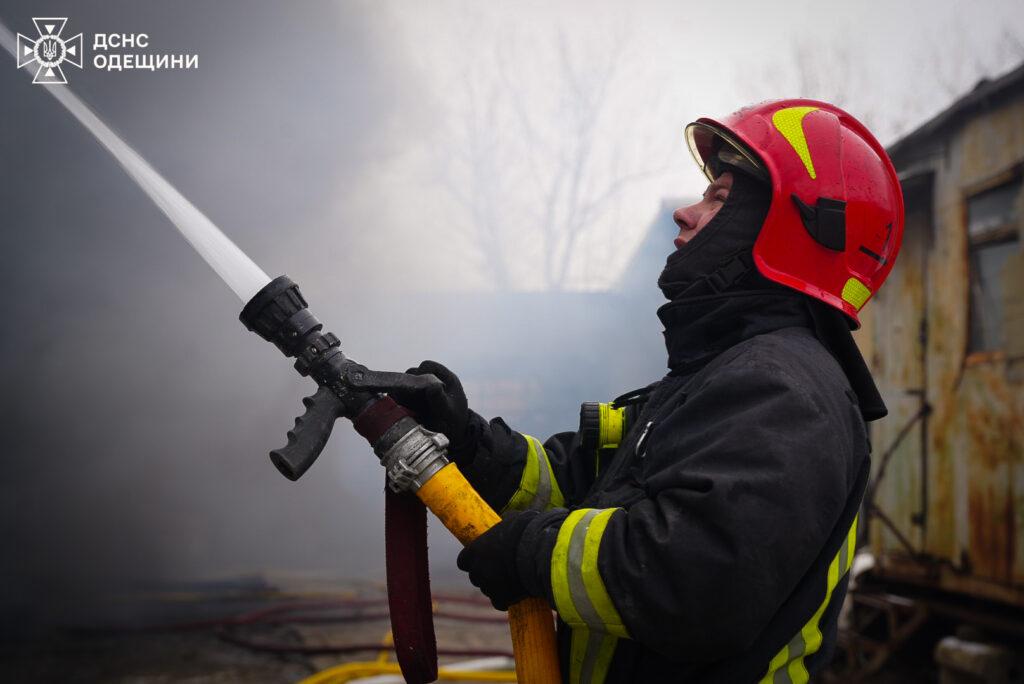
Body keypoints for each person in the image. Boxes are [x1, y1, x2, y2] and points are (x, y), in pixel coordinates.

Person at [369, 100, 904, 683]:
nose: (685, 212)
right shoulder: (717, 378)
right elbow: (583, 487)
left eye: (719, 199)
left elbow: (694, 580)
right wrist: (469, 440)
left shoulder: (783, 391)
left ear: (787, 234)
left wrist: (529, 555)